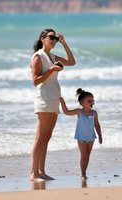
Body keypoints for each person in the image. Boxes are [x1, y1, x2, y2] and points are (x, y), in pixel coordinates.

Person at [30, 28, 76, 181]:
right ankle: (33, 173)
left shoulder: (52, 56)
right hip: (43, 99)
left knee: (46, 137)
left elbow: (71, 62)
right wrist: (51, 70)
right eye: (51, 37)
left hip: (54, 98)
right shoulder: (38, 56)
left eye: (55, 38)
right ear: (43, 38)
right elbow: (35, 81)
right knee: (39, 137)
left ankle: (41, 171)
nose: (54, 40)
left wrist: (64, 43)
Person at [59, 88, 103, 181]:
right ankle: (82, 173)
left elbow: (97, 125)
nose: (92, 102)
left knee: (88, 157)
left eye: (92, 100)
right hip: (81, 138)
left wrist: (100, 135)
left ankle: (84, 171)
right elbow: (66, 112)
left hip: (91, 138)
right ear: (81, 102)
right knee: (84, 156)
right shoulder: (79, 112)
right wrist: (62, 102)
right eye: (89, 100)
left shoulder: (94, 113)